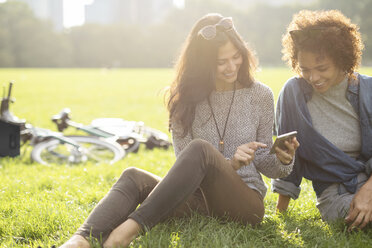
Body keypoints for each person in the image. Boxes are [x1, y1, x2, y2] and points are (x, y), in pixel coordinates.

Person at [61, 13, 299, 248]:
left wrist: (283, 159)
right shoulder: (184, 102)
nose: (231, 66)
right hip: (195, 201)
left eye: (236, 57)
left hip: (243, 203)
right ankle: (78, 241)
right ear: (203, 63)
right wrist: (231, 161)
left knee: (201, 149)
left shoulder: (260, 95)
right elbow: (186, 169)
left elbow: (268, 165)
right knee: (133, 176)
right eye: (220, 61)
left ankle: (126, 232)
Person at [272, 9, 372, 231]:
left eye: (322, 68)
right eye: (305, 70)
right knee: (359, 218)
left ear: (343, 59)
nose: (313, 78)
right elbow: (289, 156)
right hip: (334, 191)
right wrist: (280, 213)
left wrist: (368, 193)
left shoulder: (368, 90)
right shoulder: (294, 93)